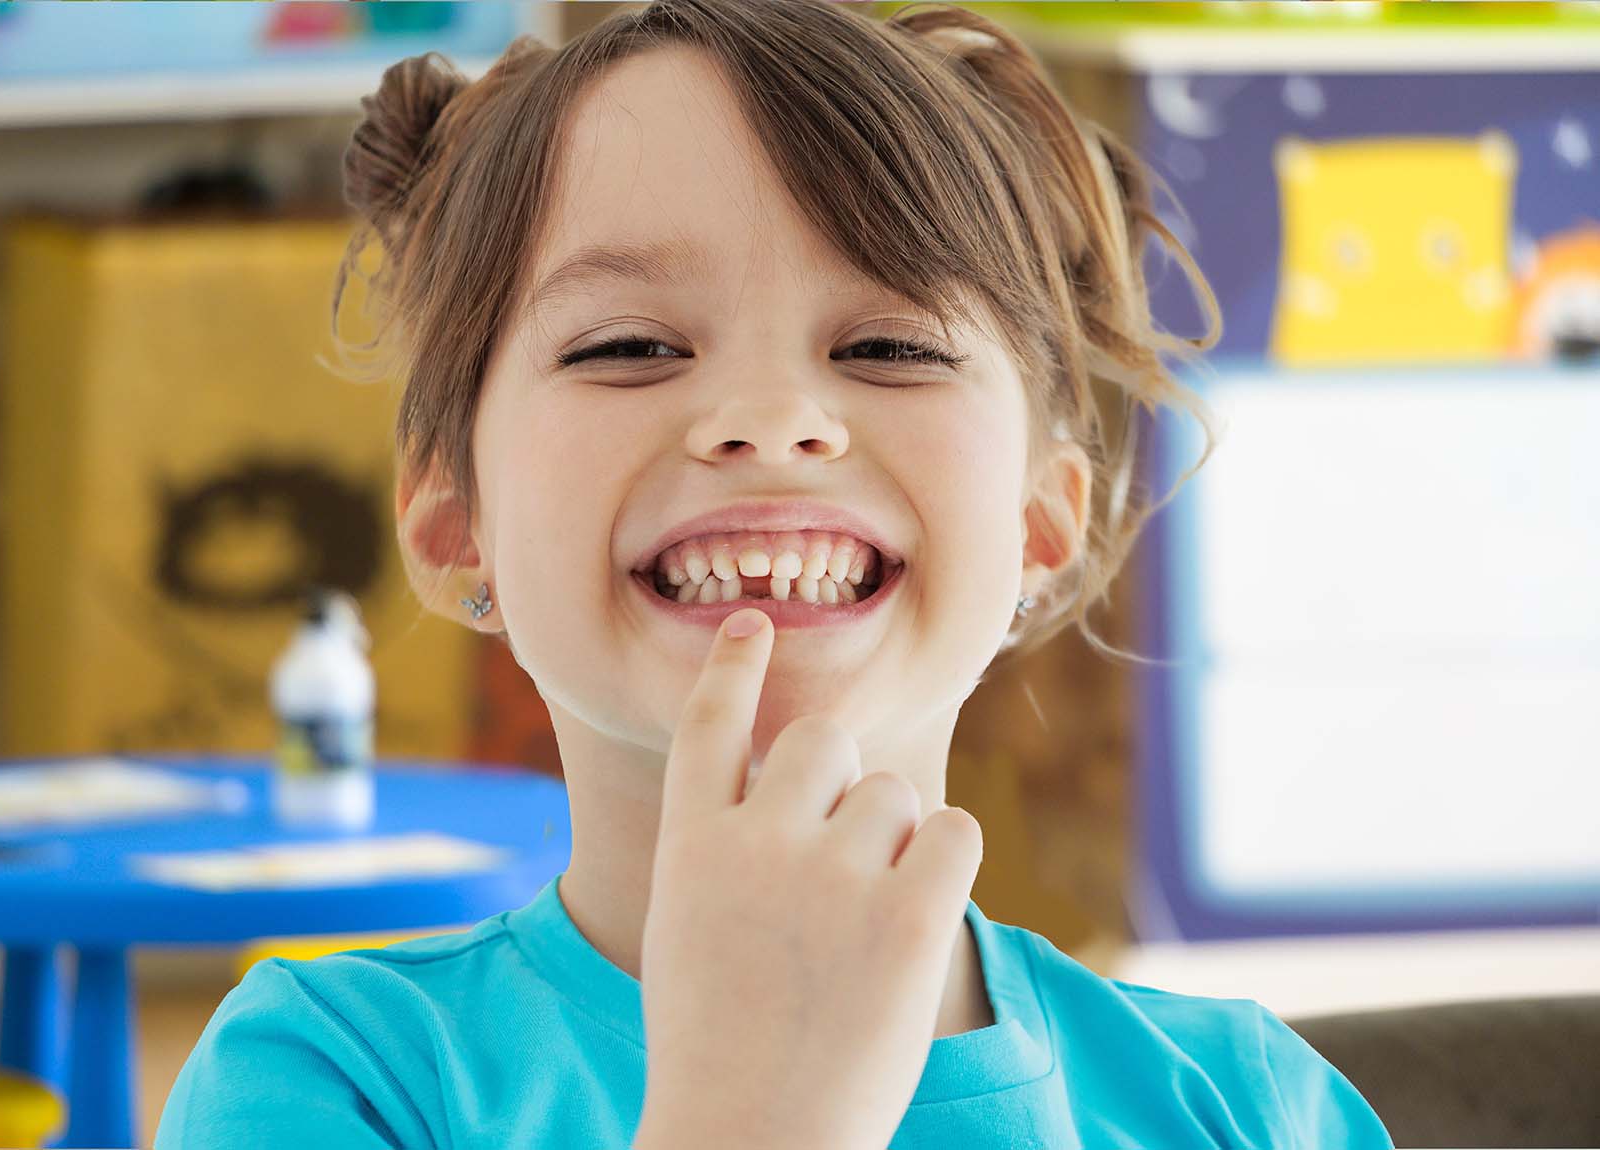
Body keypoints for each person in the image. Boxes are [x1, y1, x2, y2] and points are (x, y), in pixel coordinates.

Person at [158, 1, 1394, 1146]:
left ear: (1039, 519)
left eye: (890, 344)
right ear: (451, 520)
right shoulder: (332, 1079)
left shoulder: (1245, 1102)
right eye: (630, 344)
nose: (769, 417)